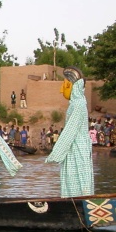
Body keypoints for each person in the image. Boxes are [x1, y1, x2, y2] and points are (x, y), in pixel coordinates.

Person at [46, 66, 94, 197]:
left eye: (66, 84)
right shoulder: (77, 103)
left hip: (77, 148)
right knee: (71, 180)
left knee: (78, 179)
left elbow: (70, 130)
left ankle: (79, 203)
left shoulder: (78, 104)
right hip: (73, 147)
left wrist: (55, 154)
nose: (63, 88)